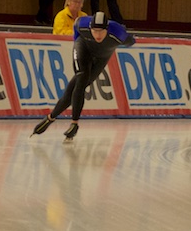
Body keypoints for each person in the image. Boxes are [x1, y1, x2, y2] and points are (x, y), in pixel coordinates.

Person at [31, 11, 135, 142]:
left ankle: (50, 118)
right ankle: (74, 123)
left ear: (107, 29)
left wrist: (116, 42)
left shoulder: (118, 33)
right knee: (81, 78)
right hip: (83, 47)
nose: (97, 35)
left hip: (102, 57)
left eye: (101, 32)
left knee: (77, 87)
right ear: (90, 28)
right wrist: (76, 42)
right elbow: (75, 28)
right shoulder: (83, 24)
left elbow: (131, 42)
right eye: (94, 31)